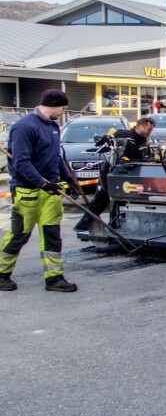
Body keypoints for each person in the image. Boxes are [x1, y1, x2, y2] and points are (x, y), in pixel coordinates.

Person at [0, 90, 81, 293]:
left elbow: (56, 158)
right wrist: (42, 183)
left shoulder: (53, 126)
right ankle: (1, 275)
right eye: (62, 108)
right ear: (53, 105)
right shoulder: (24, 127)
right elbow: (21, 163)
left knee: (52, 236)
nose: (63, 112)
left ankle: (54, 278)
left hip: (50, 193)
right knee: (19, 235)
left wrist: (70, 180)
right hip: (28, 193)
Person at [73, 117, 155, 232]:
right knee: (101, 199)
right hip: (111, 171)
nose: (150, 132)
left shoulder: (145, 141)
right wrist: (104, 138)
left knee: (121, 201)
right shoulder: (123, 134)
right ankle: (81, 226)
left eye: (151, 130)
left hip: (129, 173)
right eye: (149, 129)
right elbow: (106, 142)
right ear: (141, 126)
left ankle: (115, 226)